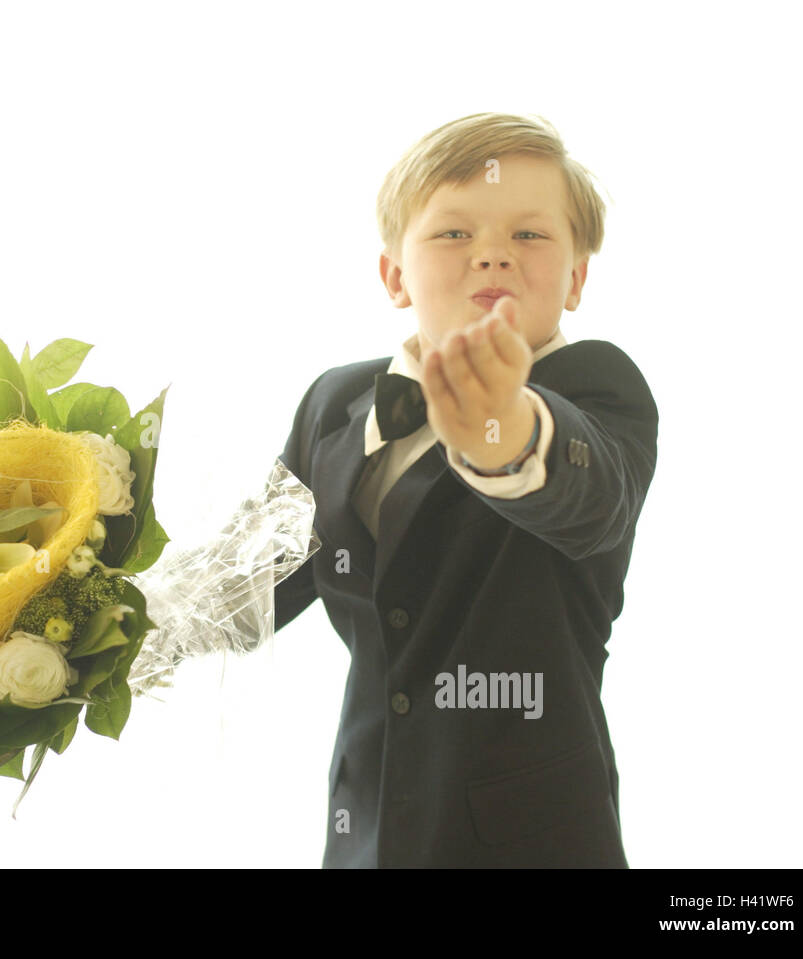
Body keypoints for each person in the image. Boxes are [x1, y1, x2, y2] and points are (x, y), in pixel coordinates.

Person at [273, 113, 658, 867]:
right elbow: (245, 583)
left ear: (577, 278)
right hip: (366, 830)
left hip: (531, 841)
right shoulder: (334, 401)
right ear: (393, 275)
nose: (491, 256)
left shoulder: (600, 385)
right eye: (454, 234)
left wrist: (504, 431)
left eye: (529, 236)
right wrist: (68, 612)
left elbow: (592, 497)